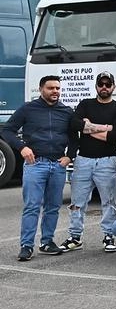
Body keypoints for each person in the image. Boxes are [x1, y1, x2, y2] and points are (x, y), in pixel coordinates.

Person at [3, 75, 75, 260]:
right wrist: (22, 147)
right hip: (36, 165)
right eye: (51, 88)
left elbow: (75, 137)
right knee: (32, 206)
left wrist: (69, 156)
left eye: (58, 88)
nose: (55, 92)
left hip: (58, 165)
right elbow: (6, 130)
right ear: (41, 89)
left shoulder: (66, 111)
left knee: (52, 207)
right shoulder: (28, 109)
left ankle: (47, 242)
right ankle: (26, 246)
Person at [63, 72, 116, 253]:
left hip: (107, 162)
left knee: (109, 201)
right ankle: (75, 237)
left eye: (108, 84)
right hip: (83, 161)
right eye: (101, 84)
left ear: (114, 86)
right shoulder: (85, 104)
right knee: (77, 201)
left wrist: (89, 128)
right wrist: (105, 128)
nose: (104, 87)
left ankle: (108, 235)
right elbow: (75, 124)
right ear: (96, 86)